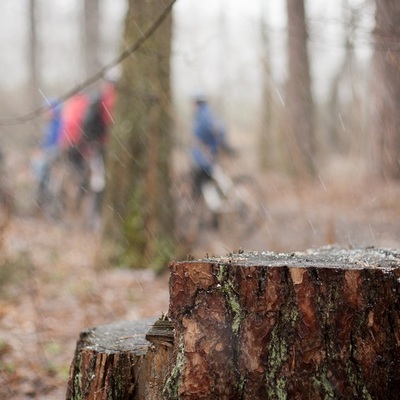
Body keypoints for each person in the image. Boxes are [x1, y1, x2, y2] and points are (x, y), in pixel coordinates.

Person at [190, 94, 233, 227]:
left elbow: (212, 131)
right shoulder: (207, 114)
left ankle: (209, 219)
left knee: (208, 187)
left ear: (197, 103)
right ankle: (212, 220)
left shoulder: (203, 116)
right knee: (210, 186)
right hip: (207, 157)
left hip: (205, 158)